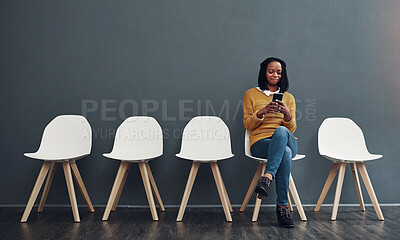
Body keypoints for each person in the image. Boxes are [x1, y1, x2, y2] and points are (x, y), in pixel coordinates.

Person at [243, 57, 297, 228]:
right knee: (285, 154)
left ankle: (267, 177)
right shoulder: (250, 94)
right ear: (264, 72)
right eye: (271, 71)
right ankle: (282, 208)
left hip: (286, 140)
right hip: (260, 143)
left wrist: (287, 114)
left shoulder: (288, 97)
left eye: (279, 72)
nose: (275, 75)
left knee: (281, 131)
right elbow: (247, 124)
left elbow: (292, 128)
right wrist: (262, 112)